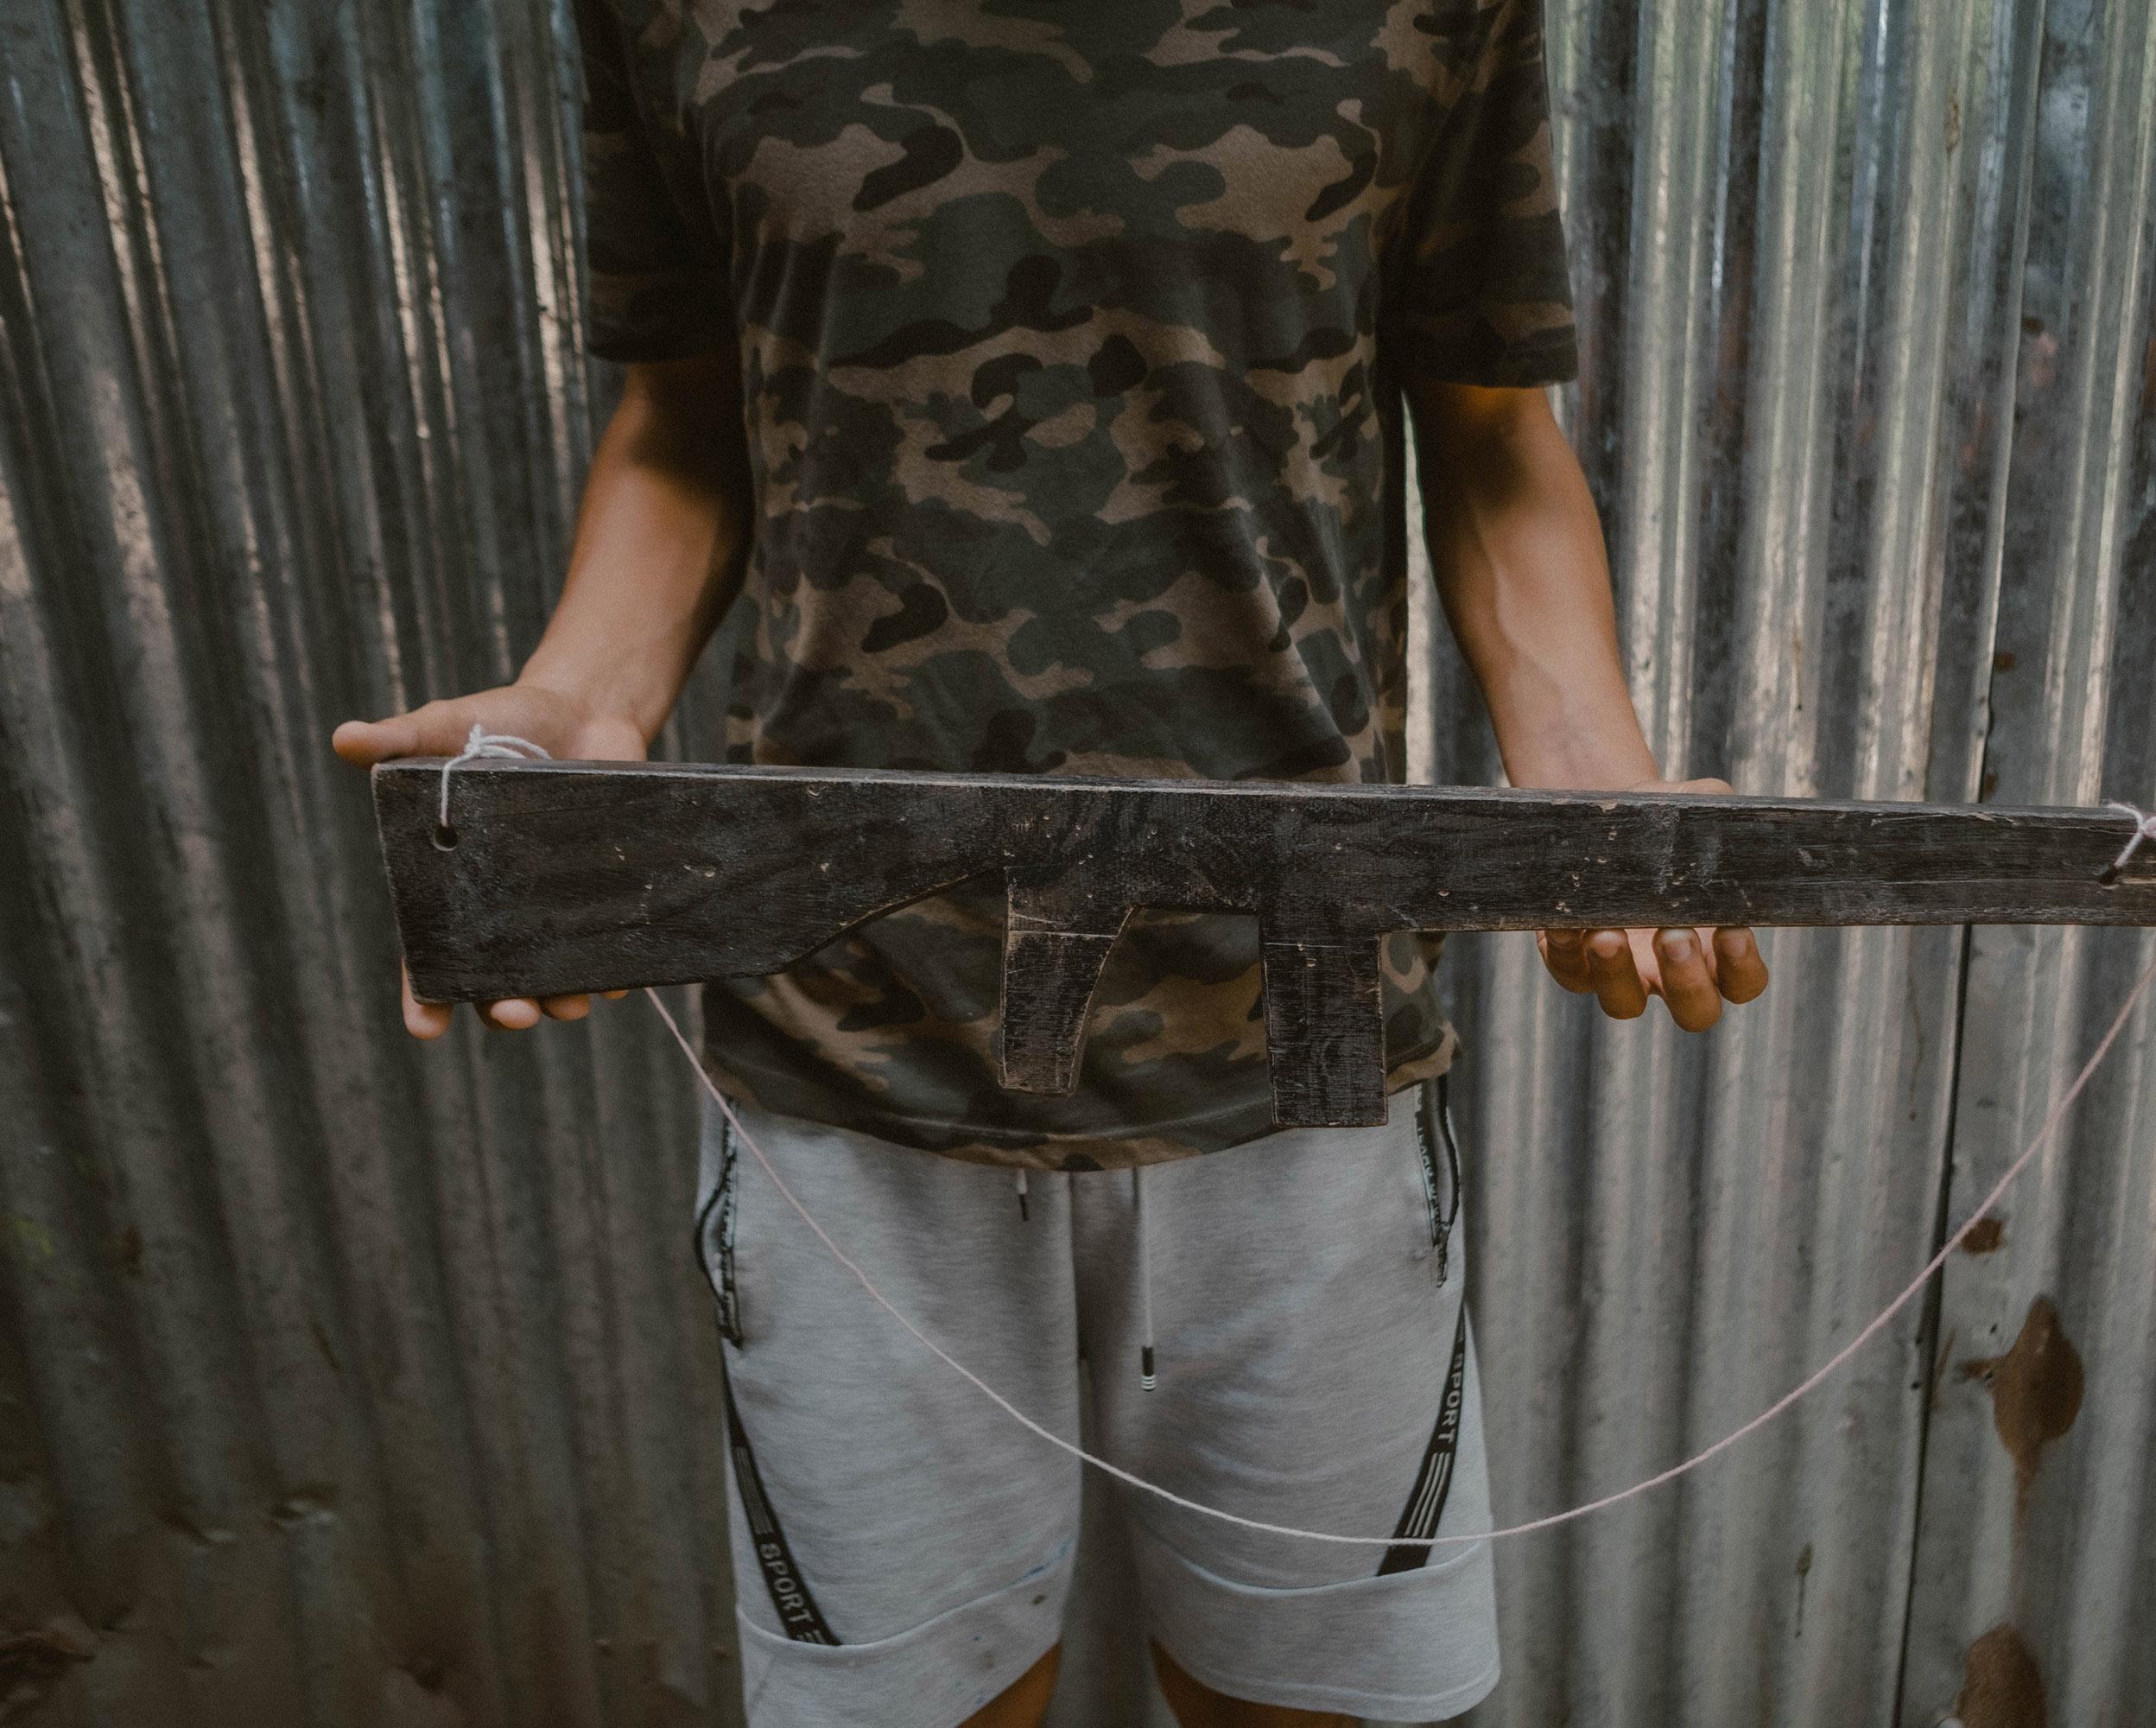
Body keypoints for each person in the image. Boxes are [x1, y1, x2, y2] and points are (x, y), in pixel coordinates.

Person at [334, 3, 1766, 1724]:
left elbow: (1488, 434)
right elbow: (686, 414)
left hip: (1300, 1051)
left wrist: (1591, 781)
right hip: (856, 1062)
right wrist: (581, 692)